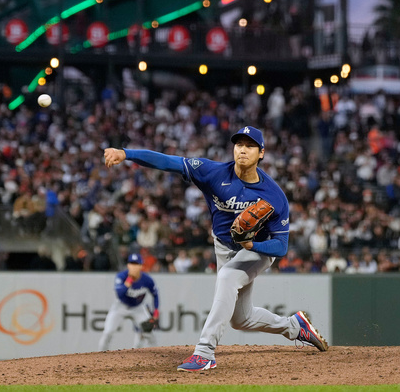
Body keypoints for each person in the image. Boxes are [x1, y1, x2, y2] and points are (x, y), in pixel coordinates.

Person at [104, 125, 328, 372]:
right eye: (239, 144)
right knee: (240, 319)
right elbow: (169, 161)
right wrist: (126, 154)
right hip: (223, 246)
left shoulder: (274, 195)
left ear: (261, 153)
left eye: (250, 146)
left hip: (257, 249)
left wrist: (252, 244)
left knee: (226, 277)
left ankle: (204, 352)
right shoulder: (212, 172)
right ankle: (295, 327)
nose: (242, 150)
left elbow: (281, 245)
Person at [97, 252, 160, 351]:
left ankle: (157, 360)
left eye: (136, 264)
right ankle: (99, 360)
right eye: (132, 263)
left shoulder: (147, 280)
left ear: (141, 266)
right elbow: (119, 293)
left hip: (138, 308)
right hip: (120, 306)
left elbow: (155, 295)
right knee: (108, 332)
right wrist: (130, 280)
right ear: (128, 265)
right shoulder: (121, 276)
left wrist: (156, 311)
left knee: (149, 334)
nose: (134, 266)